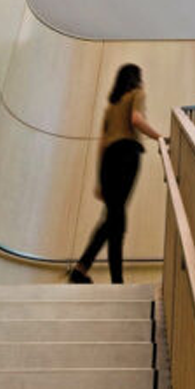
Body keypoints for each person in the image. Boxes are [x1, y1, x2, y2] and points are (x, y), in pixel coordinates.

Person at [70, 62, 163, 284]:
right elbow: (136, 120)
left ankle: (90, 272)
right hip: (127, 154)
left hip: (108, 160)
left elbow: (101, 144)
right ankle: (98, 274)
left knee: (113, 218)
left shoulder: (111, 107)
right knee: (116, 218)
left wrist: (99, 179)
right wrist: (159, 137)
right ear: (136, 78)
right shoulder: (138, 94)